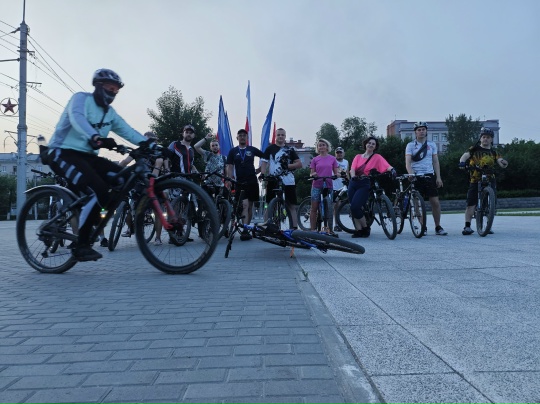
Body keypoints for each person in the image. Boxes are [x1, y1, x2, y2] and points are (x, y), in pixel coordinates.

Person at [45, 68, 153, 261]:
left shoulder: (109, 113)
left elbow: (128, 131)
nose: (113, 92)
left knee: (122, 179)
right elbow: (77, 118)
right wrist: (95, 136)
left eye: (116, 89)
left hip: (88, 157)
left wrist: (152, 145)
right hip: (62, 152)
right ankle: (81, 244)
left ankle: (95, 215)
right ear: (98, 86)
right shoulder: (81, 99)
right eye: (110, 87)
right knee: (99, 190)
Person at [118, 131, 168, 242]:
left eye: (150, 140)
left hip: (155, 183)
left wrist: (164, 172)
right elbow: (125, 162)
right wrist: (115, 171)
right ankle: (131, 228)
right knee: (130, 209)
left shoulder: (158, 152)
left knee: (157, 210)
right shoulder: (138, 151)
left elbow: (164, 166)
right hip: (139, 183)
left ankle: (158, 238)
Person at [459, 127, 508, 235]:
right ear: (480, 138)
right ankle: (467, 226)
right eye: (484, 137)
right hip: (475, 179)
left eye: (488, 137)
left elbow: (500, 161)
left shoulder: (494, 152)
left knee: (489, 203)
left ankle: (487, 226)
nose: (486, 139)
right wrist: (462, 163)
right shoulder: (474, 149)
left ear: (491, 139)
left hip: (490, 179)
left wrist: (504, 163)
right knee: (471, 203)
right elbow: (464, 156)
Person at [405, 121, 448, 236]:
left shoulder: (432, 145)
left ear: (426, 131)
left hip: (429, 175)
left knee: (435, 202)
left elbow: (435, 161)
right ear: (415, 132)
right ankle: (422, 226)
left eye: (423, 129)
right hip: (416, 175)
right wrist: (410, 174)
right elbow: (408, 162)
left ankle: (438, 226)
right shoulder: (410, 145)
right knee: (417, 203)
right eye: (419, 130)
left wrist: (438, 177)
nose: (421, 131)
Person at [348, 137, 395, 238]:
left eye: (373, 144)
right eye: (369, 143)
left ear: (375, 147)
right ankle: (358, 230)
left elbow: (386, 165)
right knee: (353, 208)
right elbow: (352, 169)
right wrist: (353, 177)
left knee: (355, 206)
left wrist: (392, 170)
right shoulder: (358, 156)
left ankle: (365, 228)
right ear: (365, 144)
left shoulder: (377, 157)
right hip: (354, 182)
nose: (371, 145)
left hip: (364, 183)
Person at [259, 127, 303, 229]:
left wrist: (288, 166)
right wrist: (263, 174)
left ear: (285, 136)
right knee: (269, 204)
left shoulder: (290, 150)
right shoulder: (270, 149)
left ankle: (294, 228)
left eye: (282, 135)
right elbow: (264, 162)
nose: (280, 136)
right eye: (278, 135)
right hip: (273, 179)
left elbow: (299, 164)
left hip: (288, 180)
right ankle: (266, 225)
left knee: (291, 205)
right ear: (275, 136)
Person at [226, 129, 264, 240]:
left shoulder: (252, 149)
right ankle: (245, 230)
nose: (242, 137)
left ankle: (247, 227)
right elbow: (229, 166)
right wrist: (229, 179)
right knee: (244, 205)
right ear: (237, 138)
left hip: (252, 181)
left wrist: (260, 170)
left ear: (247, 138)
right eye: (240, 135)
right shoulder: (233, 151)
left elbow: (265, 157)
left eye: (244, 135)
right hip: (240, 182)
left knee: (250, 206)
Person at [309, 138, 340, 234]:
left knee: (329, 207)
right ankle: (313, 229)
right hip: (317, 184)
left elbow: (336, 171)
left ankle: (329, 229)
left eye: (323, 145)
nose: (321, 147)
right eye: (319, 145)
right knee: (314, 208)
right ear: (317, 148)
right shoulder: (315, 159)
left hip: (328, 184)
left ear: (327, 147)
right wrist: (313, 174)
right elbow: (311, 173)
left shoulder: (332, 159)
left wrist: (337, 175)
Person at [332, 146, 349, 232]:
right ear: (335, 154)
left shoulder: (346, 162)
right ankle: (335, 225)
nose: (339, 154)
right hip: (333, 185)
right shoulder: (333, 161)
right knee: (335, 205)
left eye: (340, 152)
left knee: (338, 206)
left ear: (343, 153)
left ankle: (337, 224)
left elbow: (347, 172)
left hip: (342, 186)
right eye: (337, 153)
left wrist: (349, 181)